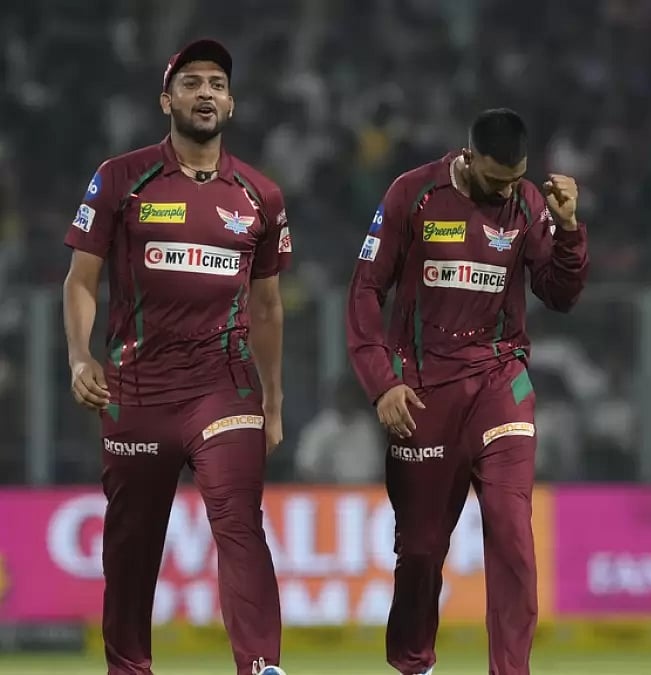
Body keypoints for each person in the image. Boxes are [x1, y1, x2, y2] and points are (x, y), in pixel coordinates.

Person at [62, 39, 291, 675]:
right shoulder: (120, 178)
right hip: (137, 390)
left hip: (225, 386)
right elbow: (81, 280)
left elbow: (269, 308)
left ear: (232, 102)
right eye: (191, 83)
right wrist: (81, 358)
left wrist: (271, 397)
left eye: (217, 82)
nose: (206, 93)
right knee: (131, 547)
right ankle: (129, 668)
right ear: (167, 100)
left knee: (239, 523)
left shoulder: (261, 196)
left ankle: (260, 666)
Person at [345, 108, 588, 675]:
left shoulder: (528, 202)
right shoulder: (413, 195)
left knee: (511, 536)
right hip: (423, 395)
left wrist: (570, 230)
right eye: (497, 179)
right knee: (422, 549)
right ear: (469, 156)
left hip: (501, 384)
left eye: (516, 179)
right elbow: (363, 292)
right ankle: (412, 663)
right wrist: (383, 383)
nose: (507, 190)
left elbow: (559, 293)